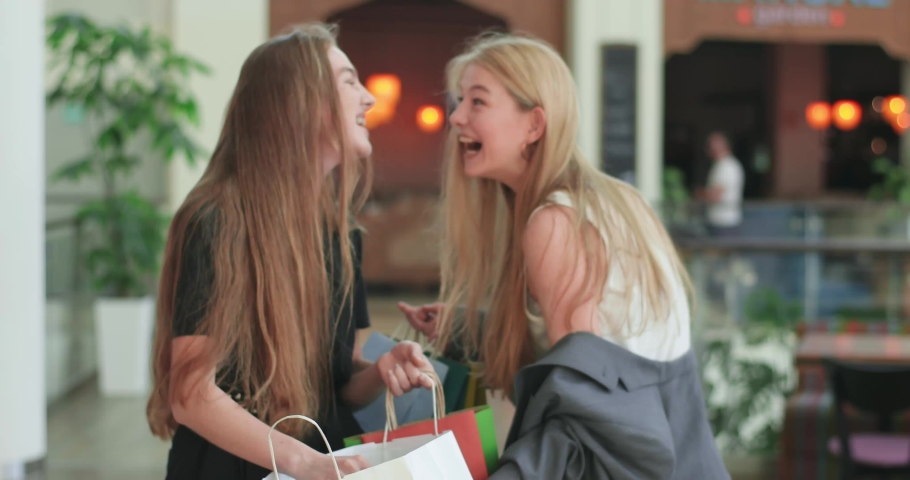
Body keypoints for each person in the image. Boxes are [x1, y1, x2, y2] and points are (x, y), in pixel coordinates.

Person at [401, 32, 729, 479]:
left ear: (534, 125)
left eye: (477, 102)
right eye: (460, 101)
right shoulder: (617, 200)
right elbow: (619, 349)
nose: (456, 117)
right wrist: (469, 325)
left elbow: (585, 411)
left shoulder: (554, 223)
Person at [146, 23, 434, 480]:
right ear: (298, 103)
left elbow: (338, 389)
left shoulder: (341, 235)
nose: (369, 98)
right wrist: (305, 462)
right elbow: (190, 393)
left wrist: (379, 370)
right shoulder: (216, 220)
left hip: (324, 462)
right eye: (348, 81)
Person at [697, 131, 744, 237]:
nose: (708, 150)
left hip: (723, 223)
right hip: (724, 221)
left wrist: (699, 194)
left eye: (711, 146)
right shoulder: (725, 164)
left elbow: (715, 196)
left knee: (716, 252)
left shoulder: (726, 166)